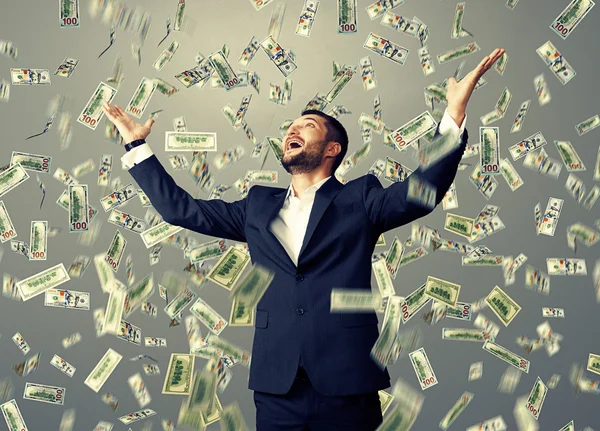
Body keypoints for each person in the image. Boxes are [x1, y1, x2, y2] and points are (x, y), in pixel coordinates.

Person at [103, 48, 505, 431]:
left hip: (348, 383)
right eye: (291, 127)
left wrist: (453, 114)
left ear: (332, 148)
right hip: (277, 386)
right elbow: (181, 210)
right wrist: (136, 145)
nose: (293, 129)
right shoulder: (257, 206)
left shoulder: (361, 198)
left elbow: (423, 191)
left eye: (307, 126)